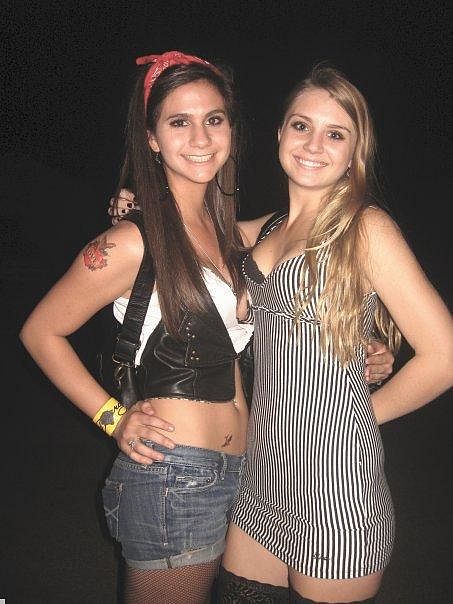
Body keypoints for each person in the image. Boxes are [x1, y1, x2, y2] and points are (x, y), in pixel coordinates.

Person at [20, 51, 394, 604]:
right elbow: (40, 331)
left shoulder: (234, 236)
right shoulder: (132, 240)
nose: (200, 137)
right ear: (151, 139)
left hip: (248, 474)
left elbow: (299, 262)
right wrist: (113, 419)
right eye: (179, 122)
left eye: (213, 119)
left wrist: (360, 341)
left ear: (231, 131)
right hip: (173, 474)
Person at [211, 65, 453, 603]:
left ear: (354, 152)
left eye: (335, 133)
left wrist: (358, 417)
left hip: (336, 496)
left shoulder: (365, 228)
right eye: (302, 126)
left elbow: (444, 356)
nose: (314, 145)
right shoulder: (266, 229)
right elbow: (189, 226)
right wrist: (133, 204)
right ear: (280, 132)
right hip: (260, 481)